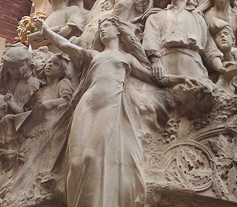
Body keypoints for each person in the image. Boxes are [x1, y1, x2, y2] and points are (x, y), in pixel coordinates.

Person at [34, 18, 157, 207]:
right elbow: (66, 45)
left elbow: (154, 78)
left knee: (92, 157)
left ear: (118, 31)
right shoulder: (94, 55)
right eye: (101, 28)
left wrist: (178, 78)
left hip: (111, 103)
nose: (103, 30)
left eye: (107, 26)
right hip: (87, 104)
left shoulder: (127, 58)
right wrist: (46, 31)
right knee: (74, 164)